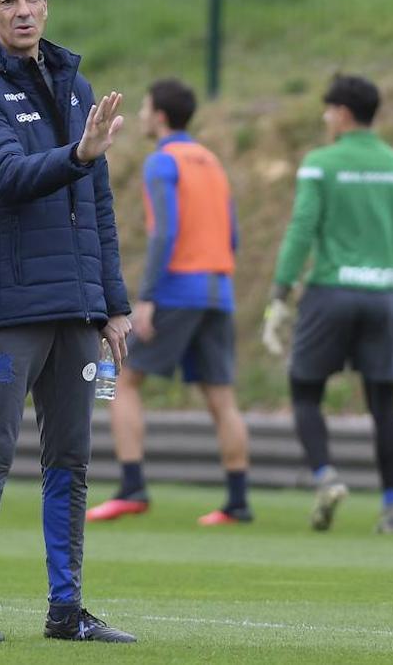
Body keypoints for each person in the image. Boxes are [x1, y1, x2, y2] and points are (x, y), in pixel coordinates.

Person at [0, 0, 135, 644]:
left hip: (78, 308)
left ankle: (66, 610)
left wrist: (114, 302)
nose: (22, 9)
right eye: (7, 0)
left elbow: (99, 204)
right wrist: (79, 155)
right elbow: (8, 175)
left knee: (71, 461)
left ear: (46, 5)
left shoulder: (75, 85)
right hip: (13, 303)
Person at [262, 74, 393, 534]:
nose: (326, 119)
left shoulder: (320, 164)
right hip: (384, 298)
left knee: (305, 393)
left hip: (330, 293)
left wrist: (280, 293)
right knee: (384, 405)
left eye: (327, 111)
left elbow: (302, 229)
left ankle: (326, 476)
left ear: (341, 113)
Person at [87, 78, 252, 526]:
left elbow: (165, 232)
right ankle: (238, 502)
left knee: (122, 380)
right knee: (222, 397)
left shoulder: (162, 162)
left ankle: (132, 487)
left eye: (144, 109)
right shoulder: (211, 160)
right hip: (219, 290)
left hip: (178, 290)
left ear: (158, 116)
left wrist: (148, 297)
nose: (141, 116)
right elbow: (233, 234)